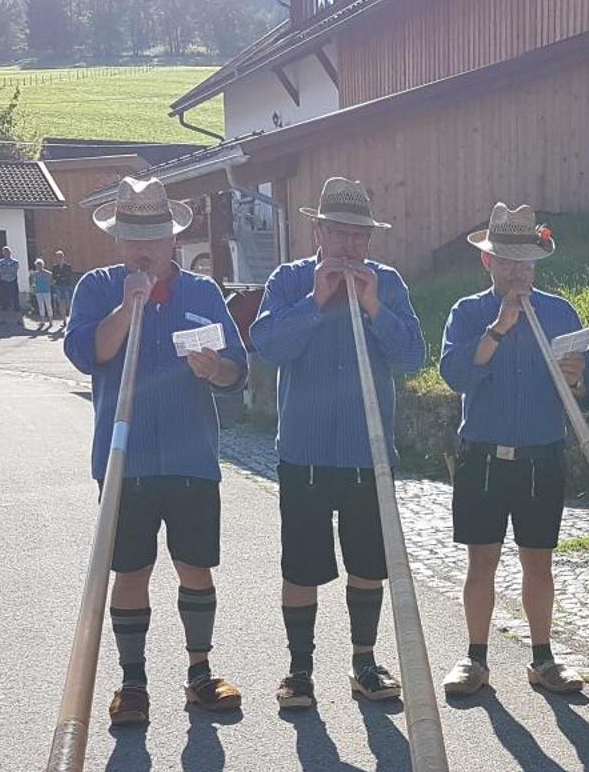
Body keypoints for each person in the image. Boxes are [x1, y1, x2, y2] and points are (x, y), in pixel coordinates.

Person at [63, 176, 249, 726]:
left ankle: (199, 673)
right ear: (117, 242)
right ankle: (133, 682)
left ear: (172, 240)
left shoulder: (203, 293)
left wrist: (215, 369)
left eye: (155, 236)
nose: (144, 248)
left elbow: (237, 372)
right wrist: (127, 307)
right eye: (132, 237)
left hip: (192, 457)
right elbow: (88, 354)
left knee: (195, 567)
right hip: (126, 461)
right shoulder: (96, 289)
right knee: (130, 570)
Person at [250, 175, 424, 711]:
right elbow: (267, 346)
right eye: (340, 232)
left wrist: (375, 309)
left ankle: (364, 661)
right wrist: (314, 301)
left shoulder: (388, 282)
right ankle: (299, 670)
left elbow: (412, 359)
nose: (350, 245)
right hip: (304, 451)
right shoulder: (288, 279)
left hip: (367, 455)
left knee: (368, 564)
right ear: (318, 232)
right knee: (301, 567)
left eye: (360, 235)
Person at [437, 203, 589, 699]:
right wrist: (498, 329)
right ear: (488, 262)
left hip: (541, 454)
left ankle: (543, 658)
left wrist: (578, 381)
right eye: (507, 261)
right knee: (481, 559)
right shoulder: (468, 312)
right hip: (483, 453)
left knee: (538, 561)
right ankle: (475, 657)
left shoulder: (559, 311)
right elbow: (456, 375)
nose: (518, 271)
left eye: (526, 262)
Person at [0, 246, 21, 318]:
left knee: (14, 296)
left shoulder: (15, 262)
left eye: (7, 252)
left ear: (10, 253)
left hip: (12, 280)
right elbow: (0, 271)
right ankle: (4, 310)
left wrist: (6, 269)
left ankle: (16, 311)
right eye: (4, 252)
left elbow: (14, 271)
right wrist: (7, 269)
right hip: (4, 281)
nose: (6, 253)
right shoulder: (0, 262)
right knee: (4, 296)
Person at [51, 250, 76, 319]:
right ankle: (64, 319)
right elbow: (54, 277)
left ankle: (71, 317)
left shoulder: (68, 266)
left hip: (67, 286)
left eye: (60, 257)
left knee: (68, 303)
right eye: (57, 257)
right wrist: (60, 277)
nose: (59, 258)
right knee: (61, 303)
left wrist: (60, 276)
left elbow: (68, 276)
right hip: (58, 286)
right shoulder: (55, 267)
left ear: (63, 257)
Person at [29, 257, 55, 323]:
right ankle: (42, 320)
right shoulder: (34, 274)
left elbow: (52, 281)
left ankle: (51, 320)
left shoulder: (48, 273)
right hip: (39, 291)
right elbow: (32, 282)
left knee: (48, 305)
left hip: (46, 291)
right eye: (37, 265)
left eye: (40, 265)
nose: (38, 266)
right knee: (41, 306)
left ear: (42, 265)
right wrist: (33, 287)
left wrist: (49, 284)